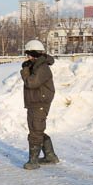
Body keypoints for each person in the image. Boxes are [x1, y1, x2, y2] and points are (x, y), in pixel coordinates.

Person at [20, 39, 58, 169]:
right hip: (35, 102)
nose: (28, 57)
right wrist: (28, 67)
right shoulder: (36, 66)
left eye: (29, 54)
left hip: (40, 102)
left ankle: (33, 161)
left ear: (35, 54)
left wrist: (25, 71)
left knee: (36, 131)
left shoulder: (42, 68)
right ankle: (50, 156)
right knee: (37, 129)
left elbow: (31, 83)